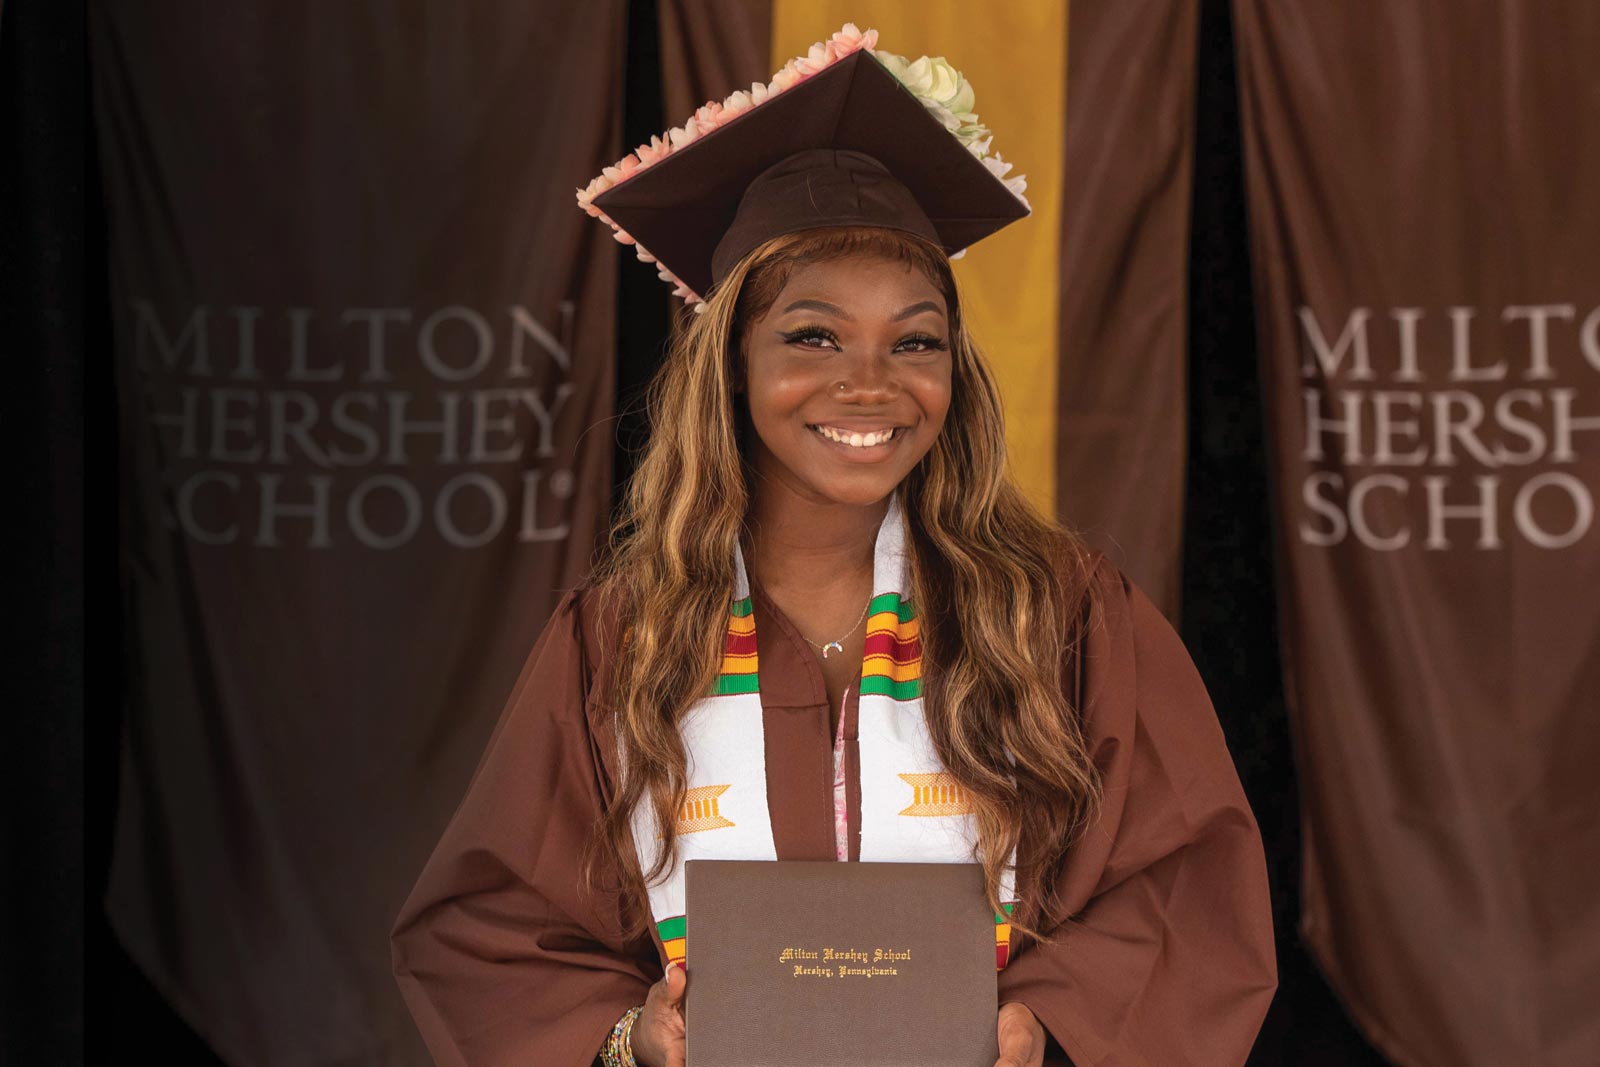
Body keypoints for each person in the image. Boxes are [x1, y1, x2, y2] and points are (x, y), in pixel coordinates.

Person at [391, 24, 1276, 1067]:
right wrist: (634, 1032)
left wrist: (1045, 1015)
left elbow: (1183, 886)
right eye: (811, 335)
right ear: (729, 364)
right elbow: (492, 928)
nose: (870, 383)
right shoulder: (622, 635)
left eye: (914, 340)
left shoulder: (1059, 611)